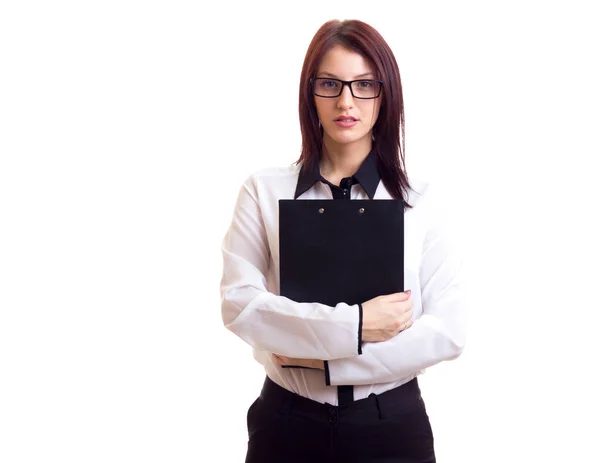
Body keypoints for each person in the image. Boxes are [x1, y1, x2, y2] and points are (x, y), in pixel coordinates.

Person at [220, 18, 467, 463]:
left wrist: (324, 361)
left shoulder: (420, 202)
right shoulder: (263, 190)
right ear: (309, 93)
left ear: (385, 93)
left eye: (364, 85)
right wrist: (355, 326)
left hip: (391, 427)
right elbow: (242, 306)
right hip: (287, 424)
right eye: (330, 84)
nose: (346, 101)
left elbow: (445, 332)